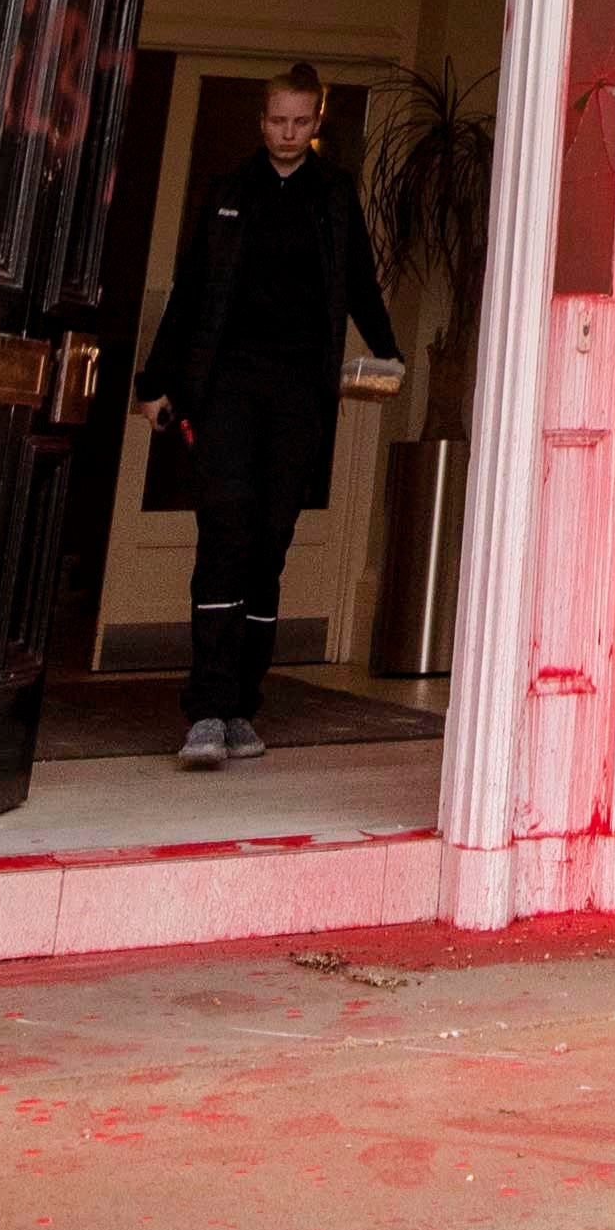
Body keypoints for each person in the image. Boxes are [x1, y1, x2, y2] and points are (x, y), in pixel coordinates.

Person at [131, 66, 397, 767]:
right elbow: (191, 290)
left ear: (317, 124)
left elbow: (362, 283)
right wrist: (152, 383)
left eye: (301, 122)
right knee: (225, 533)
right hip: (226, 389)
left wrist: (390, 355)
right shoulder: (229, 191)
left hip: (299, 395)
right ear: (262, 121)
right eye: (277, 121)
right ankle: (206, 711)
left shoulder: (334, 196)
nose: (288, 133)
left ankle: (243, 706)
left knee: (270, 543)